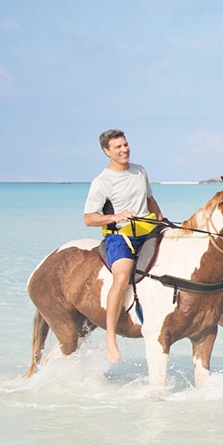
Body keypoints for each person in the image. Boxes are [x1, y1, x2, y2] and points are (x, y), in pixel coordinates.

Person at [83, 129, 164, 363]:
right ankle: (110, 337)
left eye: (125, 145)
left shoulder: (140, 171)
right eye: (117, 147)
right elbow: (89, 218)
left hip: (147, 230)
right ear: (107, 152)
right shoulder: (102, 182)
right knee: (121, 277)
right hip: (120, 237)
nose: (124, 150)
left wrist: (162, 221)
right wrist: (116, 216)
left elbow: (150, 200)